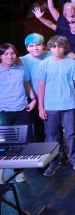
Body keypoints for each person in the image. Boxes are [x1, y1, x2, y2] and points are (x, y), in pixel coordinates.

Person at [36, 36, 75, 177]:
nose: (57, 49)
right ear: (50, 48)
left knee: (71, 134)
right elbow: (41, 86)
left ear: (64, 47)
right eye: (53, 46)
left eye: (60, 46)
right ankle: (54, 162)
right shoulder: (44, 64)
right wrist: (40, 107)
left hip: (68, 104)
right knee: (52, 136)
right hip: (50, 106)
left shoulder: (71, 63)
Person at [0, 43, 38, 183]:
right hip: (4, 112)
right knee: (4, 144)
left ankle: (19, 172)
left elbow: (27, 84)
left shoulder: (21, 68)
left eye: (12, 53)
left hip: (21, 110)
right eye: (6, 54)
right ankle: (1, 173)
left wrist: (33, 99)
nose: (10, 56)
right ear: (1, 56)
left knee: (21, 143)